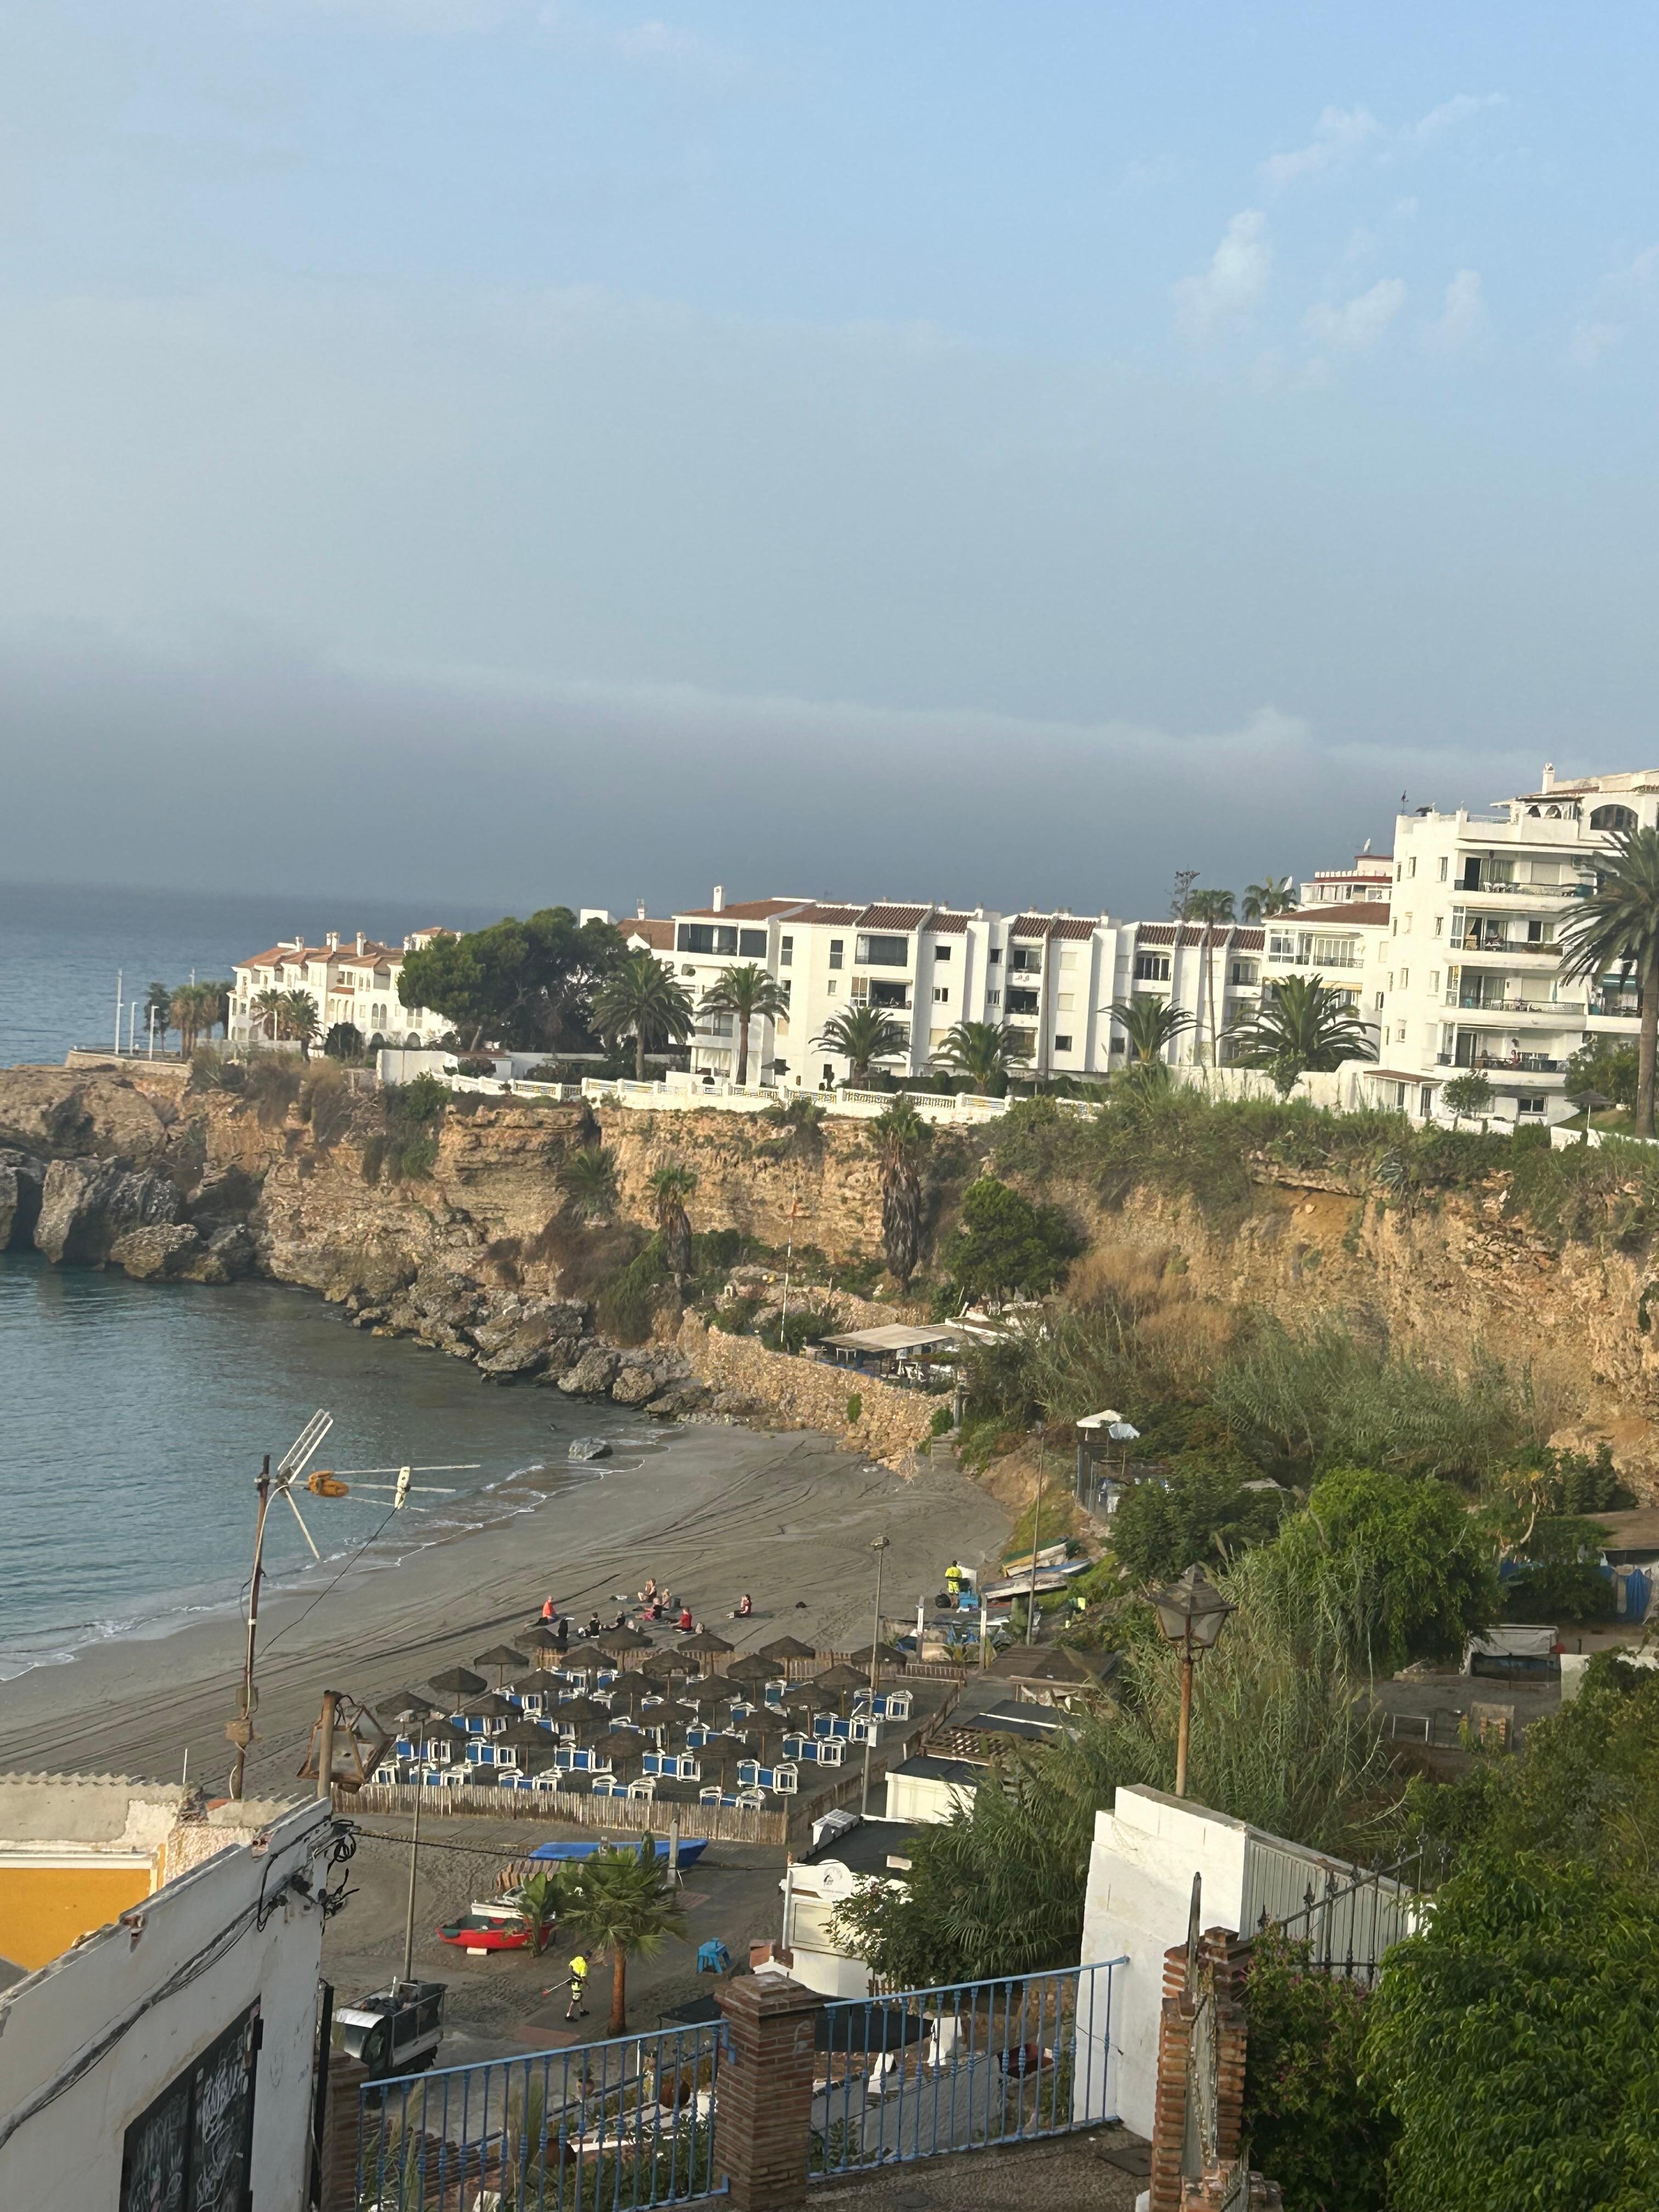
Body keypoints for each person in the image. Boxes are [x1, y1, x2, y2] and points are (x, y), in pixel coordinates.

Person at [565, 1953, 589, 2020]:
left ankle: (581, 2011)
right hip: (577, 1985)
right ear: (588, 1957)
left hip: (574, 1982)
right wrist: (587, 1985)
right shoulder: (584, 1966)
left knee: (580, 1996)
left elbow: (570, 1965)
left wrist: (573, 1974)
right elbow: (583, 1978)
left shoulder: (578, 1958)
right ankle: (568, 2015)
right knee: (575, 1999)